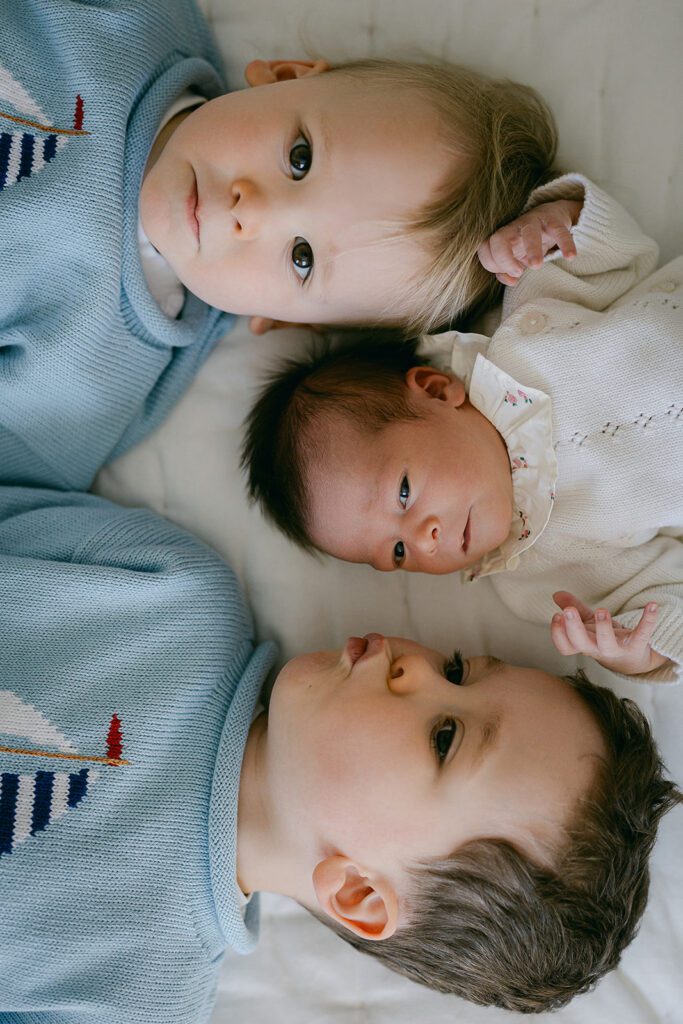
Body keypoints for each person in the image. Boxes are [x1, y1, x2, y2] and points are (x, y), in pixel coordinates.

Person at [0, 486, 679, 1021]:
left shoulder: (139, 994)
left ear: (357, 892)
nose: (413, 666)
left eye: (444, 737)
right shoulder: (170, 594)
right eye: (456, 667)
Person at [0, 0, 557, 491]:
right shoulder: (125, 20)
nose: (253, 209)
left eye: (302, 258)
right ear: (284, 76)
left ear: (279, 320)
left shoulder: (97, 376)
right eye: (299, 158)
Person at [243, 174, 683, 683]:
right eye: (399, 552)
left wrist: (555, 222)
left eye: (404, 494)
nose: (426, 539)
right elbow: (666, 598)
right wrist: (639, 651)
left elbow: (618, 255)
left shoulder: (529, 328)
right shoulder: (542, 579)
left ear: (435, 389)